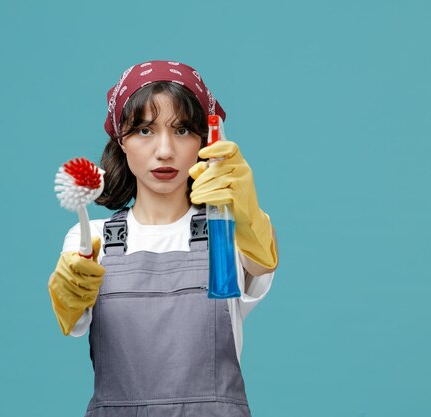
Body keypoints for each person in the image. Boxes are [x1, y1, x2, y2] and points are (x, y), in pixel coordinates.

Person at [48, 60, 279, 417]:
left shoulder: (227, 235)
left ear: (205, 138)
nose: (165, 150)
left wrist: (245, 211)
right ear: (120, 140)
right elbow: (72, 316)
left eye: (183, 130)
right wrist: (67, 290)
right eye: (144, 130)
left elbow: (262, 260)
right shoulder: (90, 238)